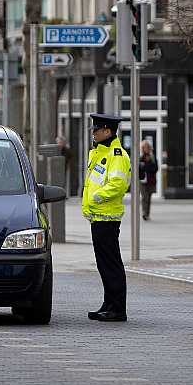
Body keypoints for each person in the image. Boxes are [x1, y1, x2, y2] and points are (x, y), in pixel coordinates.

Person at [82, 113, 131, 322]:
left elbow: (118, 184)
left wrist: (96, 198)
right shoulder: (99, 152)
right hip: (98, 217)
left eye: (96, 130)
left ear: (107, 131)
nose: (93, 133)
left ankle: (118, 308)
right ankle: (109, 303)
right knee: (104, 264)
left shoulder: (116, 155)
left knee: (111, 264)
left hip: (108, 218)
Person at [138, 140, 158, 220]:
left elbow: (156, 168)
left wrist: (148, 165)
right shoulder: (140, 157)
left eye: (147, 147)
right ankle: (144, 213)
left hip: (151, 180)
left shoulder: (152, 157)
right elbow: (138, 168)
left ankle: (147, 213)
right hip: (142, 180)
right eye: (144, 147)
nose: (146, 149)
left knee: (149, 197)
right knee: (144, 197)